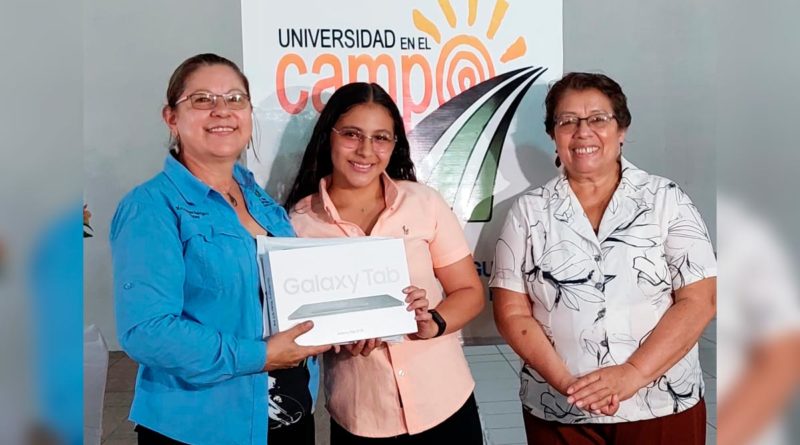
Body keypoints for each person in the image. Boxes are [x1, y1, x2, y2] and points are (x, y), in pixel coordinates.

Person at [110, 53, 329, 445]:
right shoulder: (151, 207)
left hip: (289, 418)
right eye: (202, 100)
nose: (221, 111)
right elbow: (146, 331)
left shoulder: (257, 198)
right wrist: (258, 356)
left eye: (235, 98)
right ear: (171, 118)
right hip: (202, 428)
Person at [489, 72, 717, 445]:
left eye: (598, 118)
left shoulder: (666, 199)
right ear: (553, 134)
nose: (583, 132)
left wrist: (632, 373)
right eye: (568, 121)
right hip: (560, 408)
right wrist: (569, 386)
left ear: (621, 129)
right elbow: (512, 312)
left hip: (659, 402)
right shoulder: (528, 211)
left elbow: (699, 300)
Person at [284, 82, 486, 444]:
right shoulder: (298, 224)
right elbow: (295, 328)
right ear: (328, 136)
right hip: (362, 413)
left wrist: (434, 322)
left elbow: (469, 291)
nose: (365, 150)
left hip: (444, 401)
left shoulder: (423, 203)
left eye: (381, 138)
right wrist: (335, 338)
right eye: (351, 134)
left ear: (395, 145)